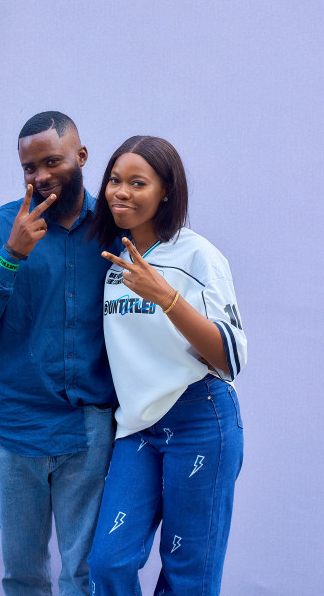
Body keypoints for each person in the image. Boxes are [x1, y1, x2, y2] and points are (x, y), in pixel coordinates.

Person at [0, 111, 119, 596]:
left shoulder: (113, 229)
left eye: (52, 162)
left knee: (82, 575)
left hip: (88, 431)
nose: (40, 176)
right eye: (30, 168)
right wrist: (11, 256)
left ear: (82, 157)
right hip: (15, 431)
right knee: (23, 576)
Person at [88, 136, 247, 596]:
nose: (121, 192)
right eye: (114, 180)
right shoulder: (111, 257)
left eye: (138, 183)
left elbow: (230, 357)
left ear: (167, 192)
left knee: (187, 577)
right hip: (137, 426)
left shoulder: (198, 256)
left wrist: (167, 297)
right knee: (108, 563)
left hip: (201, 417)